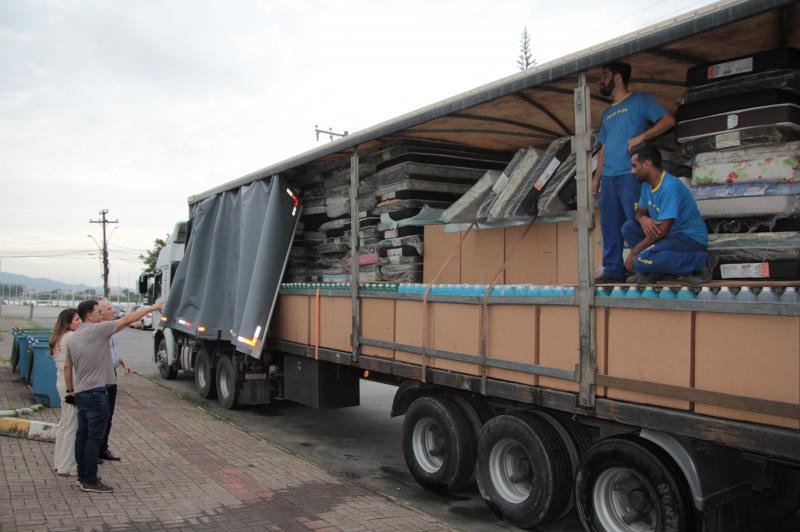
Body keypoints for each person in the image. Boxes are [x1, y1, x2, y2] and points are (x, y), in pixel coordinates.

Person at [64, 299, 164, 493]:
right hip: (96, 393)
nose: (101, 314)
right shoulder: (98, 330)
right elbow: (128, 319)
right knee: (94, 438)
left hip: (81, 393)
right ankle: (91, 480)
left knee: (82, 436)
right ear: (89, 316)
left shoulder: (74, 338)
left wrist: (70, 390)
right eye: (97, 312)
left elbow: (68, 367)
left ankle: (83, 476)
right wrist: (152, 308)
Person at [593, 60, 676, 283]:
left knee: (636, 223)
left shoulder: (640, 101)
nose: (601, 80)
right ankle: (613, 271)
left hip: (631, 175)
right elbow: (603, 147)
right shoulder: (606, 114)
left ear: (618, 77)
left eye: (605, 75)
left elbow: (668, 120)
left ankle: (648, 266)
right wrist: (596, 178)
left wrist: (643, 137)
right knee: (610, 227)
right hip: (609, 179)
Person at [623, 144, 709, 281]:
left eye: (634, 166)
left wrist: (634, 252)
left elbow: (662, 231)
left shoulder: (669, 186)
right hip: (668, 237)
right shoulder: (647, 185)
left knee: (641, 260)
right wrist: (643, 219)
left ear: (647, 164)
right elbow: (639, 211)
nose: (632, 171)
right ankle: (655, 271)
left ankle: (700, 262)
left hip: (688, 239)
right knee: (628, 228)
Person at [97, 299, 133, 463]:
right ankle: (94, 451)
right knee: (99, 415)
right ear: (100, 312)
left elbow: (112, 352)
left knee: (109, 414)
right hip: (101, 376)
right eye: (109, 308)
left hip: (112, 375)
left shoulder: (110, 330)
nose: (113, 311)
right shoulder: (98, 330)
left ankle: (103, 448)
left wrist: (122, 361)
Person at [49, 308, 81, 477]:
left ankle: (59, 462)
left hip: (62, 381)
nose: (80, 323)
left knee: (65, 423)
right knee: (71, 425)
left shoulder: (59, 338)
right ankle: (67, 465)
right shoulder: (70, 337)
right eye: (77, 320)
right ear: (68, 323)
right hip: (71, 383)